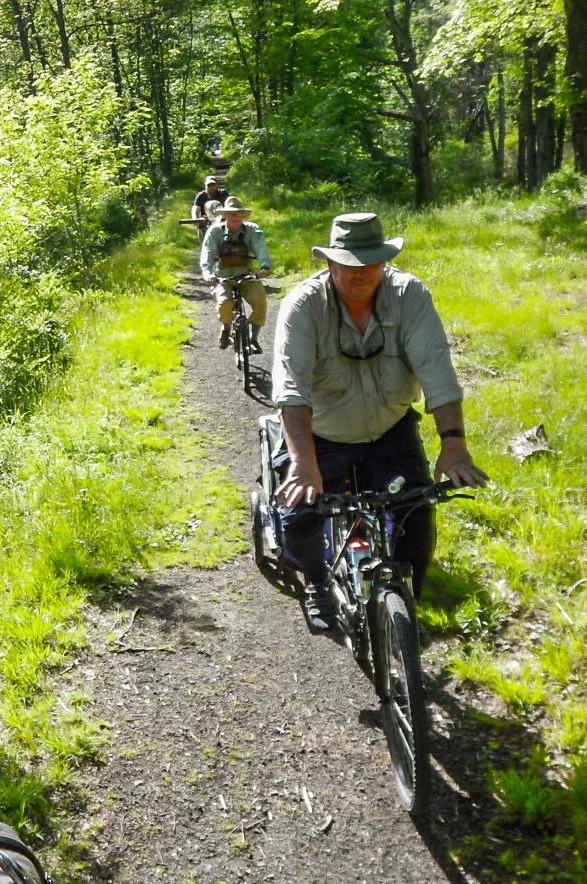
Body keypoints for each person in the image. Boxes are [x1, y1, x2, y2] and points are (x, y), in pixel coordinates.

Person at [270, 211, 489, 633]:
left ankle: (407, 601)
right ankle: (316, 583)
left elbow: (438, 372)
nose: (362, 271)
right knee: (299, 518)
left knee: (416, 514)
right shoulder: (304, 304)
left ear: (384, 260)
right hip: (321, 434)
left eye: (372, 261)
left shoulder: (409, 295)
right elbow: (291, 389)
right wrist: (303, 462)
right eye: (350, 263)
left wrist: (454, 444)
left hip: (390, 428)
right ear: (329, 263)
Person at [199, 196, 272, 351]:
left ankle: (253, 337)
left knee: (260, 299)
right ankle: (226, 328)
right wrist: (208, 273)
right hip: (222, 277)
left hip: (246, 275)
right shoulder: (215, 231)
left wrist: (264, 267)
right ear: (224, 215)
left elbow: (260, 247)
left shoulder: (252, 230)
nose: (234, 217)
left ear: (242, 215)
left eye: (237, 213)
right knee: (224, 304)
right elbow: (208, 252)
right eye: (230, 214)